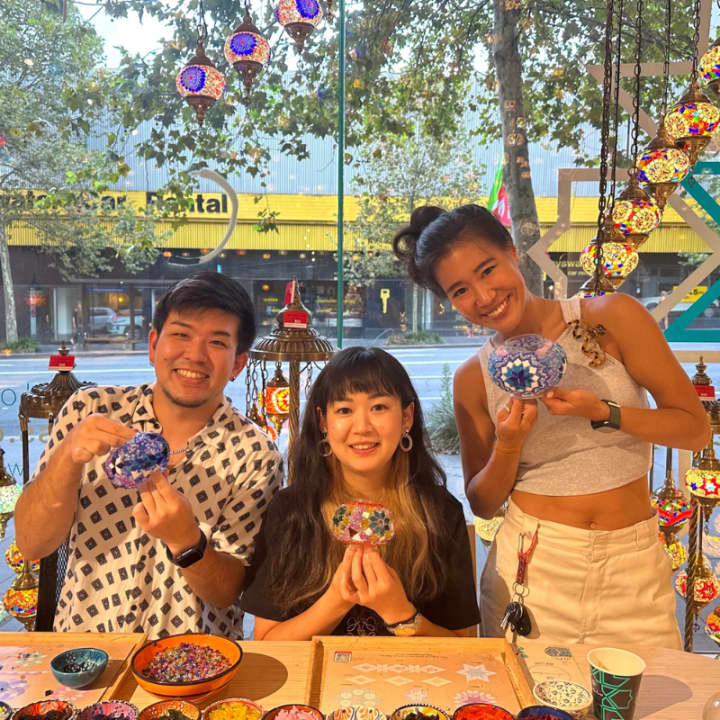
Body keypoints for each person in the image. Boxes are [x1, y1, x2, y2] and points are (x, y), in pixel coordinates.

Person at [392, 204, 710, 649]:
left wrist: (604, 412)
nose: (483, 296)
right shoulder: (474, 378)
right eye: (460, 290)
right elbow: (483, 503)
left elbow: (694, 429)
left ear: (512, 251)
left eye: (488, 270)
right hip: (533, 568)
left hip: (632, 563)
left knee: (649, 687)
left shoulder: (609, 318)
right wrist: (509, 445)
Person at [15, 272, 282, 637]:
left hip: (194, 657)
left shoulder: (254, 452)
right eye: (181, 335)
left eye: (217, 343)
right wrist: (66, 458)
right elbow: (31, 544)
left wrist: (187, 541)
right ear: (154, 345)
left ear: (238, 364)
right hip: (86, 651)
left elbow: (227, 592)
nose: (195, 355)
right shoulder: (90, 411)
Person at [242, 346, 480, 639]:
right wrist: (335, 602)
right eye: (344, 410)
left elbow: (465, 645)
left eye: (378, 407)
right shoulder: (291, 511)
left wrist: (400, 614)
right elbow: (266, 642)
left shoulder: (440, 513)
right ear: (323, 422)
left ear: (406, 417)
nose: (362, 427)